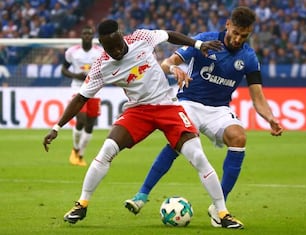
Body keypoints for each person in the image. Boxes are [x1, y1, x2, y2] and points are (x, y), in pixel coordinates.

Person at [43, 19, 244, 229]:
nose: (116, 50)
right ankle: (81, 204)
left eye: (117, 44)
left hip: (168, 107)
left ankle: (222, 213)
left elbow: (169, 34)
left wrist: (198, 45)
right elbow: (80, 98)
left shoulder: (141, 37)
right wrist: (56, 127)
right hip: (138, 111)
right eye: (110, 48)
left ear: (121, 36)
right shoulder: (102, 66)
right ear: (102, 46)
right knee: (107, 149)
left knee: (198, 156)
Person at [125, 6, 284, 228]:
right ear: (228, 24)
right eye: (235, 32)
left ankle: (219, 209)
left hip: (219, 109)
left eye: (244, 35)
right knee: (177, 142)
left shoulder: (248, 57)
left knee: (239, 138)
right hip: (189, 102)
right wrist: (174, 70)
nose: (238, 39)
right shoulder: (204, 41)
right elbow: (167, 62)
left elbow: (257, 97)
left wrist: (271, 118)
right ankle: (141, 195)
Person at [61, 25, 103, 166]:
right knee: (82, 119)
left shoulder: (99, 52)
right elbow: (63, 69)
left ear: (92, 36)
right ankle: (75, 149)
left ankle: (80, 154)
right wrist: (75, 75)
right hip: (77, 89)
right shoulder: (72, 52)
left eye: (89, 33)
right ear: (81, 36)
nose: (86, 36)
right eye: (84, 33)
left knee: (90, 124)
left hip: (94, 90)